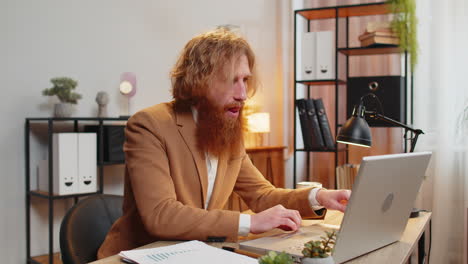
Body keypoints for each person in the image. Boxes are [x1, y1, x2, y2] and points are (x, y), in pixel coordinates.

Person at [98, 28, 351, 258]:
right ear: (200, 80)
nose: (242, 95)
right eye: (232, 80)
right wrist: (249, 223)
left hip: (197, 252)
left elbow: (262, 195)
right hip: (143, 255)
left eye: (245, 80)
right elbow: (161, 215)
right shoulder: (148, 125)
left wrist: (319, 197)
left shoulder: (226, 130)